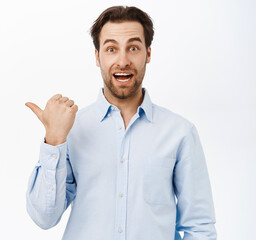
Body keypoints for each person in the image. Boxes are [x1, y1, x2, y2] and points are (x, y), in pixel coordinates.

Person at [25, 6, 216, 240]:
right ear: (97, 57)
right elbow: (44, 218)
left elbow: (199, 227)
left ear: (148, 53)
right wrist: (54, 140)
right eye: (111, 49)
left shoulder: (180, 133)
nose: (123, 60)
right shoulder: (72, 130)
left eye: (133, 48)